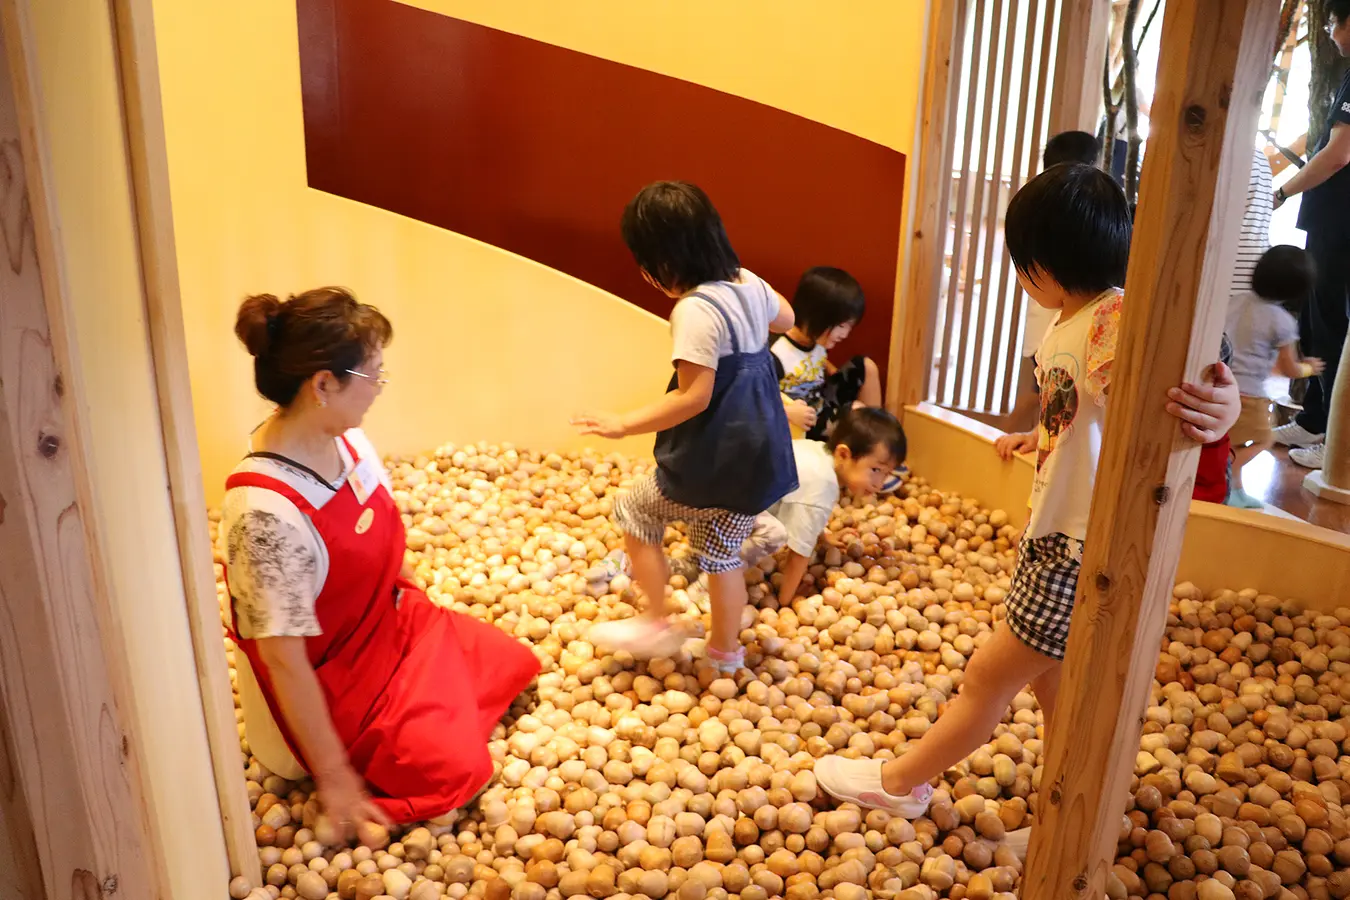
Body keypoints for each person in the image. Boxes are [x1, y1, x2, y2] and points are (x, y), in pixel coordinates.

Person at [811, 164, 1241, 820]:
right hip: (1051, 533)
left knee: (988, 677)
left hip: (1076, 545)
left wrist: (1224, 401)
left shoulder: (1111, 316)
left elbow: (1190, 368)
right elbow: (1080, 414)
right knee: (1054, 692)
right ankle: (1074, 814)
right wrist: (1036, 439)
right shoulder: (1070, 323)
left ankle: (900, 783)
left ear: (1038, 261)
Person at [221, 287, 539, 834]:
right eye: (372, 376)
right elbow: (284, 663)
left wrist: (416, 604)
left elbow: (387, 538)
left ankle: (433, 700)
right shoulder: (263, 514)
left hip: (391, 625)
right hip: (342, 685)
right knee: (459, 772)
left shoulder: (346, 440)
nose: (379, 390)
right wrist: (336, 777)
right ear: (323, 384)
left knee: (514, 663)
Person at [573, 181, 797, 672]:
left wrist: (622, 423)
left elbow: (694, 398)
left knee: (634, 511)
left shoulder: (695, 310)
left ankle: (655, 621)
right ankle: (724, 653)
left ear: (662, 262)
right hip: (760, 455)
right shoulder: (748, 282)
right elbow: (788, 316)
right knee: (719, 552)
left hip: (716, 459)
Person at [707, 407, 907, 608]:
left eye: (886, 473)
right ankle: (713, 571)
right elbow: (798, 554)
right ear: (844, 454)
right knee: (774, 535)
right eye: (875, 470)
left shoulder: (818, 451)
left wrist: (821, 537)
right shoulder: (822, 485)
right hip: (721, 511)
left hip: (721, 489)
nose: (880, 484)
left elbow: (804, 508)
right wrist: (785, 600)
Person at [1271, 1, 1350, 470]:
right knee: (1320, 322)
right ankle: (1317, 420)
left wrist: (1281, 191)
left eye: (1332, 22)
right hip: (1332, 222)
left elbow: (1338, 153)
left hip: (1339, 224)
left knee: (1330, 324)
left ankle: (1335, 445)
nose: (1330, 32)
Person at [1226, 247, 1325, 507]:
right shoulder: (1282, 321)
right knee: (1265, 439)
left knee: (1229, 438)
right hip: (1250, 397)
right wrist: (1310, 368)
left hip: (1222, 384)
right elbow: (1288, 369)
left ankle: (1235, 489)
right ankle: (1230, 469)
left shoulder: (1237, 300)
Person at [773, 266, 883, 441]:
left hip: (820, 401)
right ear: (816, 316)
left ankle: (882, 441)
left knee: (866, 366)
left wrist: (837, 377)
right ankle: (872, 446)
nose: (845, 334)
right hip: (802, 419)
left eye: (848, 326)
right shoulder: (777, 352)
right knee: (856, 412)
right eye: (840, 326)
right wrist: (787, 412)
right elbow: (758, 395)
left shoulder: (815, 341)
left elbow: (819, 363)